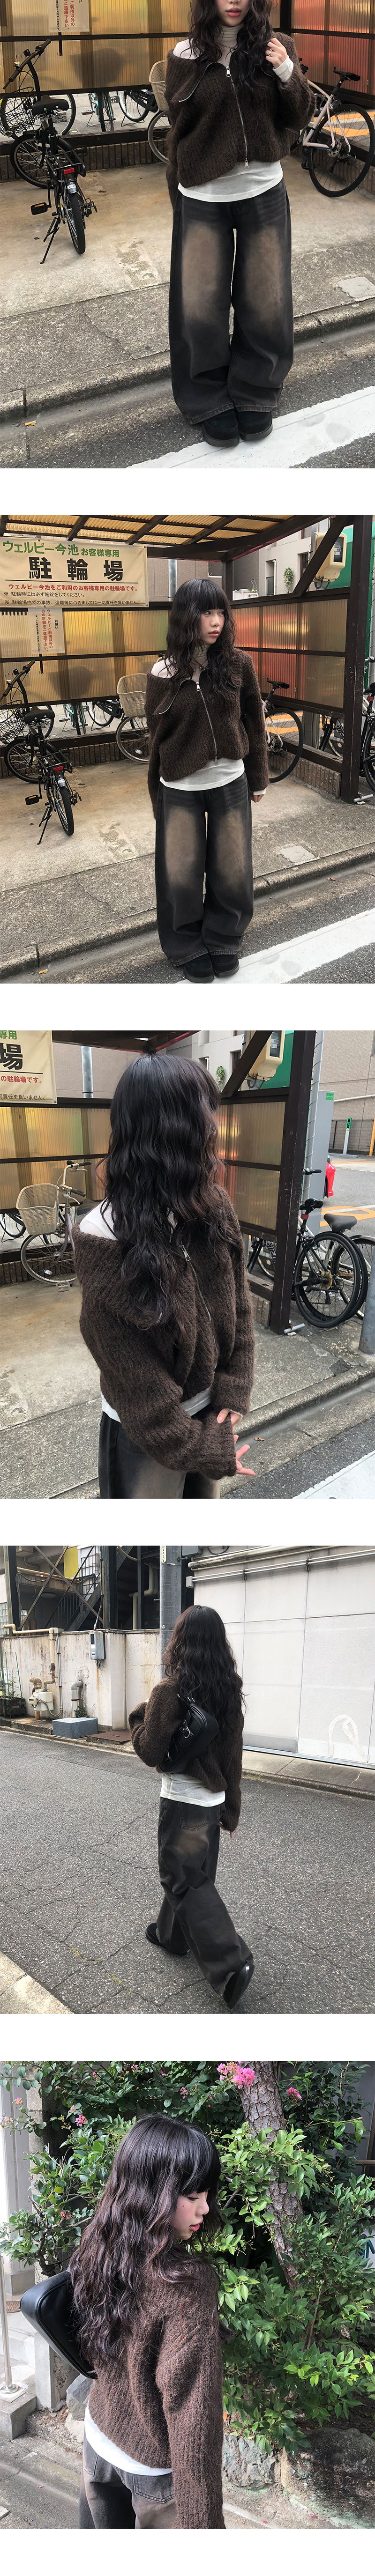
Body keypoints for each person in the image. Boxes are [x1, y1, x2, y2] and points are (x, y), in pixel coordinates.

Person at [73, 1053, 255, 1499]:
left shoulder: (212, 1205)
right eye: (205, 1113)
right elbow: (133, 1377)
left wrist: (235, 1387)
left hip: (212, 1414)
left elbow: (239, 1305)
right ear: (174, 1129)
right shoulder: (103, 1236)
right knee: (144, 1541)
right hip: (144, 1432)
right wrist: (201, 1447)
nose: (213, 1126)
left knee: (197, 1534)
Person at [165, 0, 311, 444]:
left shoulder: (277, 46)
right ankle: (207, 395)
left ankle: (256, 387)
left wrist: (286, 71)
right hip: (204, 194)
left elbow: (300, 116)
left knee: (266, 297)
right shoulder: (185, 55)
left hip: (263, 189)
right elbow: (178, 127)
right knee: (200, 304)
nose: (233, 1)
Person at [70, 2113, 225, 2530]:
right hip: (152, 2473)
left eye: (206, 2194)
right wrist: (204, 2527)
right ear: (154, 2193)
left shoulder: (101, 2244)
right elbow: (192, 2414)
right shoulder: (187, 2285)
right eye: (193, 2195)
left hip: (98, 2438)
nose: (205, 2208)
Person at [129, 1602, 254, 2010]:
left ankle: (231, 1964)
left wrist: (140, 1717)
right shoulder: (229, 1691)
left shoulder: (170, 1691)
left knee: (182, 1879)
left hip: (184, 1804)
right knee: (193, 1875)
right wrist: (231, 1810)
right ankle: (172, 1937)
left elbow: (150, 1752)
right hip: (212, 1803)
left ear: (180, 1642)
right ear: (220, 1644)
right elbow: (234, 1756)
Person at [145, 577, 268, 979]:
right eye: (206, 613)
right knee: (179, 871)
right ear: (186, 616)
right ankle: (184, 943)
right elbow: (156, 738)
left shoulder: (238, 663)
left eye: (220, 612)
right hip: (180, 786)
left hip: (230, 780)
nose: (216, 621)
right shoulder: (162, 672)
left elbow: (254, 720)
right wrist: (156, 793)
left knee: (233, 866)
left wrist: (259, 777)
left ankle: (224, 936)